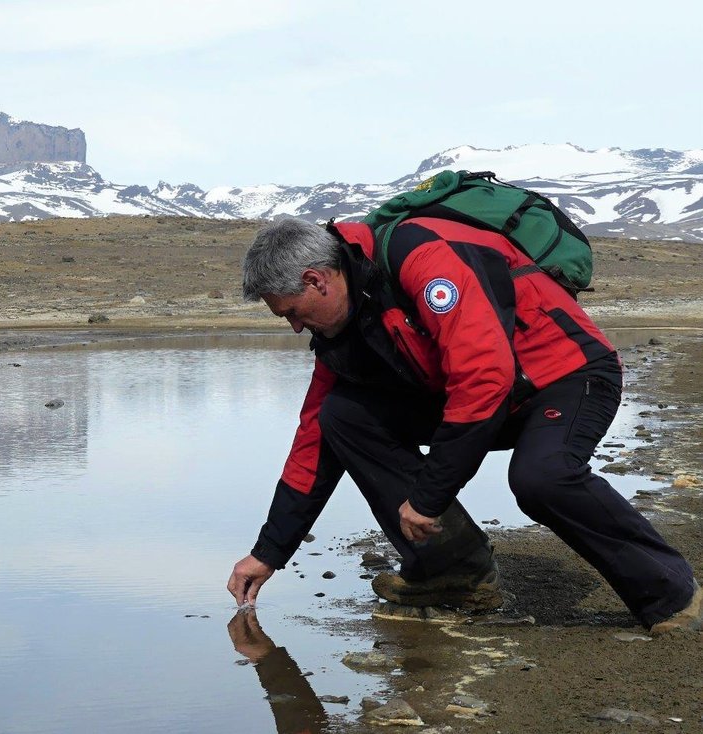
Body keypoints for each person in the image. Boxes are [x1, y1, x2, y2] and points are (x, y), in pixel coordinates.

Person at [226, 215, 702, 635]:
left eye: (290, 312)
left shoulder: (423, 258)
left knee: (543, 476)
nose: (293, 327)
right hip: (479, 398)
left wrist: (428, 497)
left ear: (316, 280)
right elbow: (313, 443)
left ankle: (673, 596)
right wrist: (269, 552)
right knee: (342, 416)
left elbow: (484, 376)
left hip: (566, 376)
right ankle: (454, 575)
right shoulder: (343, 330)